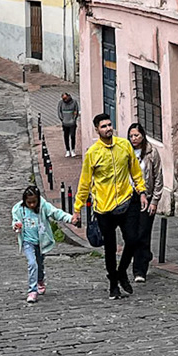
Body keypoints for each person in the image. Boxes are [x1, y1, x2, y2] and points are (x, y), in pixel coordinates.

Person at [74, 113, 145, 299]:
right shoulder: (92, 153)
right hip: (104, 208)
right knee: (110, 248)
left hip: (126, 201)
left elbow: (135, 170)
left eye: (109, 125)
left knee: (133, 240)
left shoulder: (124, 146)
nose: (108, 128)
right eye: (103, 126)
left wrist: (142, 191)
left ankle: (122, 272)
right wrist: (77, 208)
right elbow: (85, 182)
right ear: (97, 129)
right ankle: (113, 284)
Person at [12, 183, 77, 303]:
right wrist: (17, 226)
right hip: (28, 242)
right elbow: (15, 222)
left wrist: (70, 219)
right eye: (29, 202)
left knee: (39, 263)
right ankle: (32, 290)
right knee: (32, 263)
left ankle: (40, 280)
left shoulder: (44, 207)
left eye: (34, 202)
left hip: (40, 242)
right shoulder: (19, 209)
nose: (32, 205)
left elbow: (56, 213)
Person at [124, 120, 166, 284]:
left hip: (146, 197)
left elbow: (158, 178)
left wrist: (155, 200)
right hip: (128, 198)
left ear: (142, 136)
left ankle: (139, 269)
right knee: (131, 234)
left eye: (136, 135)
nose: (134, 138)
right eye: (131, 136)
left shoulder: (151, 153)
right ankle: (145, 254)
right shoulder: (125, 152)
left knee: (143, 232)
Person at [57, 93, 80, 157]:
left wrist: (74, 119)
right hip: (65, 123)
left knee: (73, 136)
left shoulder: (74, 102)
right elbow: (59, 112)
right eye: (64, 99)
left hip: (72, 122)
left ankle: (73, 150)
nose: (65, 100)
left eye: (66, 98)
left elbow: (76, 111)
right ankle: (67, 150)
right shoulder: (61, 103)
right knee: (66, 136)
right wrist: (62, 119)